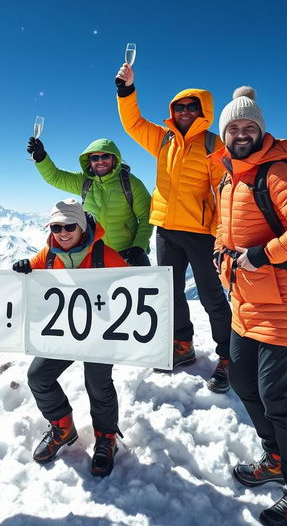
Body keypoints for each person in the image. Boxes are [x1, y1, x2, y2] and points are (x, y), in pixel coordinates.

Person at [213, 87, 287, 526]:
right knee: (243, 383)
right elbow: (226, 230)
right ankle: (275, 457)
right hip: (243, 302)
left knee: (276, 397)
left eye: (248, 126)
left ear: (260, 131)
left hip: (279, 304)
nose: (241, 133)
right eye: (234, 127)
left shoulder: (275, 171)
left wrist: (261, 255)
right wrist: (221, 252)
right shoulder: (227, 175)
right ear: (226, 134)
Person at [115, 63, 232, 393]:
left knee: (212, 295)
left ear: (202, 110)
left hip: (200, 232)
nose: (184, 111)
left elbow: (223, 193)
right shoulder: (164, 140)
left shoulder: (213, 145)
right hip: (165, 228)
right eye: (179, 106)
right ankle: (183, 345)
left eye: (191, 106)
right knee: (170, 292)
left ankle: (228, 356)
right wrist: (126, 91)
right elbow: (134, 124)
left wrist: (222, 236)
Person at [13, 198, 128, 477]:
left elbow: (132, 289)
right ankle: (63, 428)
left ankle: (106, 438)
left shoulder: (106, 256)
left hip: (100, 334)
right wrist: (24, 269)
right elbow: (33, 273)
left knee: (98, 384)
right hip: (64, 331)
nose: (63, 233)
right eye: (56, 227)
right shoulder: (49, 254)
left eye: (69, 226)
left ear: (82, 226)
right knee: (38, 376)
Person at [27, 136, 153, 265]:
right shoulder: (85, 182)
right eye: (95, 157)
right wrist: (41, 158)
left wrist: (139, 247)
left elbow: (146, 217)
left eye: (105, 156)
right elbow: (55, 177)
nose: (100, 161)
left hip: (129, 254)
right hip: (96, 255)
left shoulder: (131, 183)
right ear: (89, 161)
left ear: (114, 158)